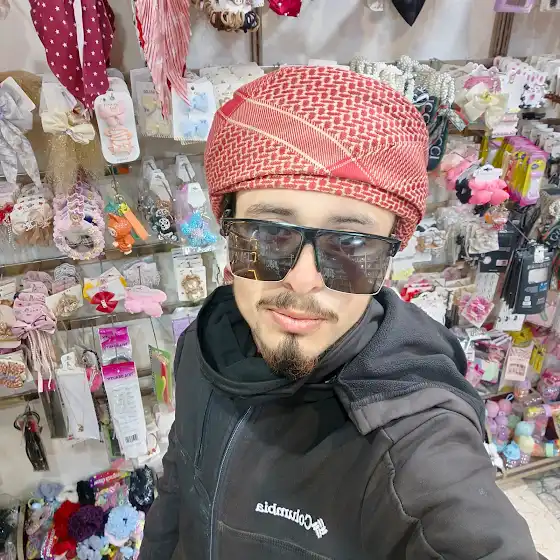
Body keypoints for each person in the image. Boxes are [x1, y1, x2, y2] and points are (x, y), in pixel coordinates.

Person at [140, 66, 540, 560]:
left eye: (351, 244)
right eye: (268, 232)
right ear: (228, 229)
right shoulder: (204, 345)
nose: (303, 279)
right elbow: (176, 490)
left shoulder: (409, 442)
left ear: (388, 255)